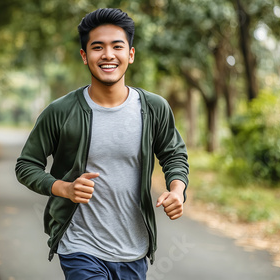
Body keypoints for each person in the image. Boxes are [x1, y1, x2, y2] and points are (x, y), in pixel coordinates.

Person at [15, 8, 189, 280]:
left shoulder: (154, 108)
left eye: (117, 46)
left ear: (130, 54)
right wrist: (64, 188)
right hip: (80, 246)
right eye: (98, 47)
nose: (108, 55)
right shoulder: (61, 111)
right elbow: (26, 164)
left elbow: (174, 155)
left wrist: (177, 190)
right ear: (85, 56)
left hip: (134, 250)